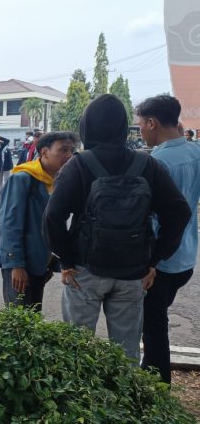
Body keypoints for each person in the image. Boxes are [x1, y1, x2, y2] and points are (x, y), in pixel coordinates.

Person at [44, 94, 191, 363]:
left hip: (84, 272)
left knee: (77, 349)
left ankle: (81, 402)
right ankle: (123, 403)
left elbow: (53, 217)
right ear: (124, 128)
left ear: (88, 126)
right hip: (133, 272)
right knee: (126, 354)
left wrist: (66, 261)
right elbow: (179, 212)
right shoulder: (148, 164)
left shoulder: (78, 164)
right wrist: (155, 259)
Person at [136, 95, 200, 384]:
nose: (141, 132)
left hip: (160, 262)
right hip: (186, 257)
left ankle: (156, 388)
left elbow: (150, 217)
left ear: (152, 123)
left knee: (153, 327)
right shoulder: (196, 153)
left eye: (140, 125)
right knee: (155, 322)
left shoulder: (157, 162)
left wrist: (149, 260)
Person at [0, 132, 76, 310]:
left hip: (39, 264)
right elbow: (10, 224)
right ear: (44, 152)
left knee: (33, 315)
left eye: (71, 150)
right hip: (20, 264)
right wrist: (16, 264)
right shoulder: (23, 178)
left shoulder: (57, 181)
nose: (69, 155)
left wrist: (53, 260)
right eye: (63, 150)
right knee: (19, 322)